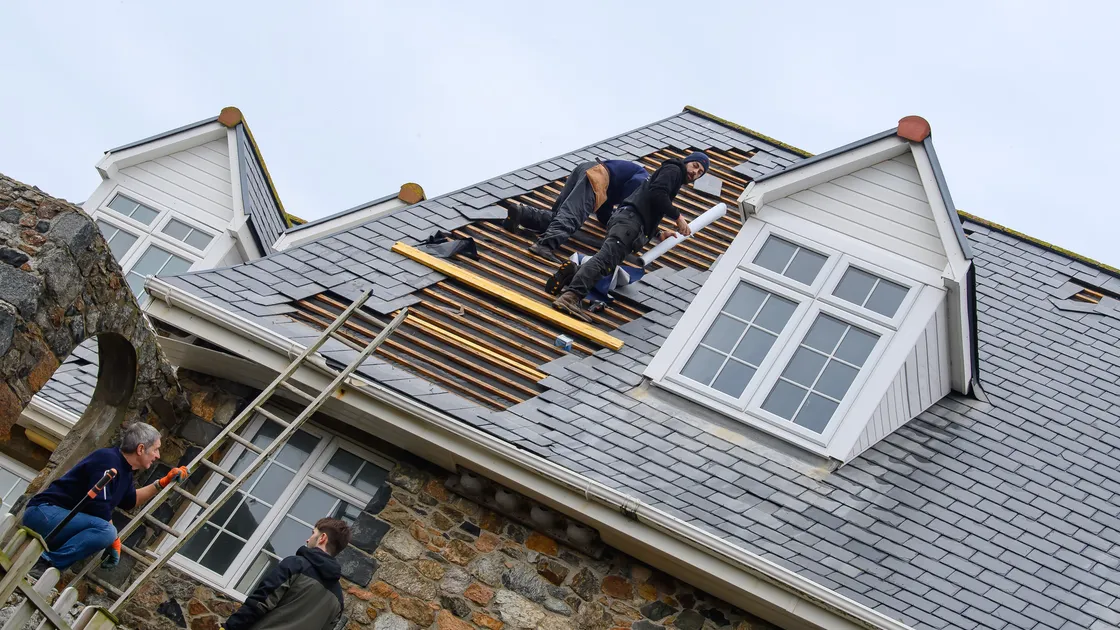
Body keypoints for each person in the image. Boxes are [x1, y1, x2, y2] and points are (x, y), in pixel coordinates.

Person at [552, 152, 710, 322]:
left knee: (606, 264)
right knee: (604, 260)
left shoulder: (672, 175)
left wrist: (658, 233)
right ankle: (570, 297)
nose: (695, 172)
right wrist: (678, 217)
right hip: (629, 224)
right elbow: (658, 193)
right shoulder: (674, 170)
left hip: (627, 222)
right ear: (686, 162)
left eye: (700, 172)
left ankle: (572, 285)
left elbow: (649, 202)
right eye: (695, 166)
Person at [22, 422, 187, 571]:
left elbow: (130, 501)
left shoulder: (125, 470)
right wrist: (113, 538)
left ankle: (45, 565)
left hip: (60, 519)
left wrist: (163, 483)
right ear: (141, 449)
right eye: (156, 449)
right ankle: (45, 564)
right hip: (44, 513)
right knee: (107, 531)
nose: (158, 455)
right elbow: (98, 504)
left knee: (107, 531)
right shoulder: (108, 460)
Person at [503, 159, 649, 263]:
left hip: (587, 169)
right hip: (598, 176)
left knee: (559, 216)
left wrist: (613, 223)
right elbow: (635, 186)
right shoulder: (647, 181)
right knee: (572, 216)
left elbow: (604, 214)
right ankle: (544, 246)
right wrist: (627, 213)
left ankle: (523, 214)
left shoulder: (617, 184)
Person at [223, 518, 351, 630]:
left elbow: (259, 604)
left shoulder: (295, 565)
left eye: (313, 533)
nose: (308, 539)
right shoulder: (338, 600)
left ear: (322, 538)